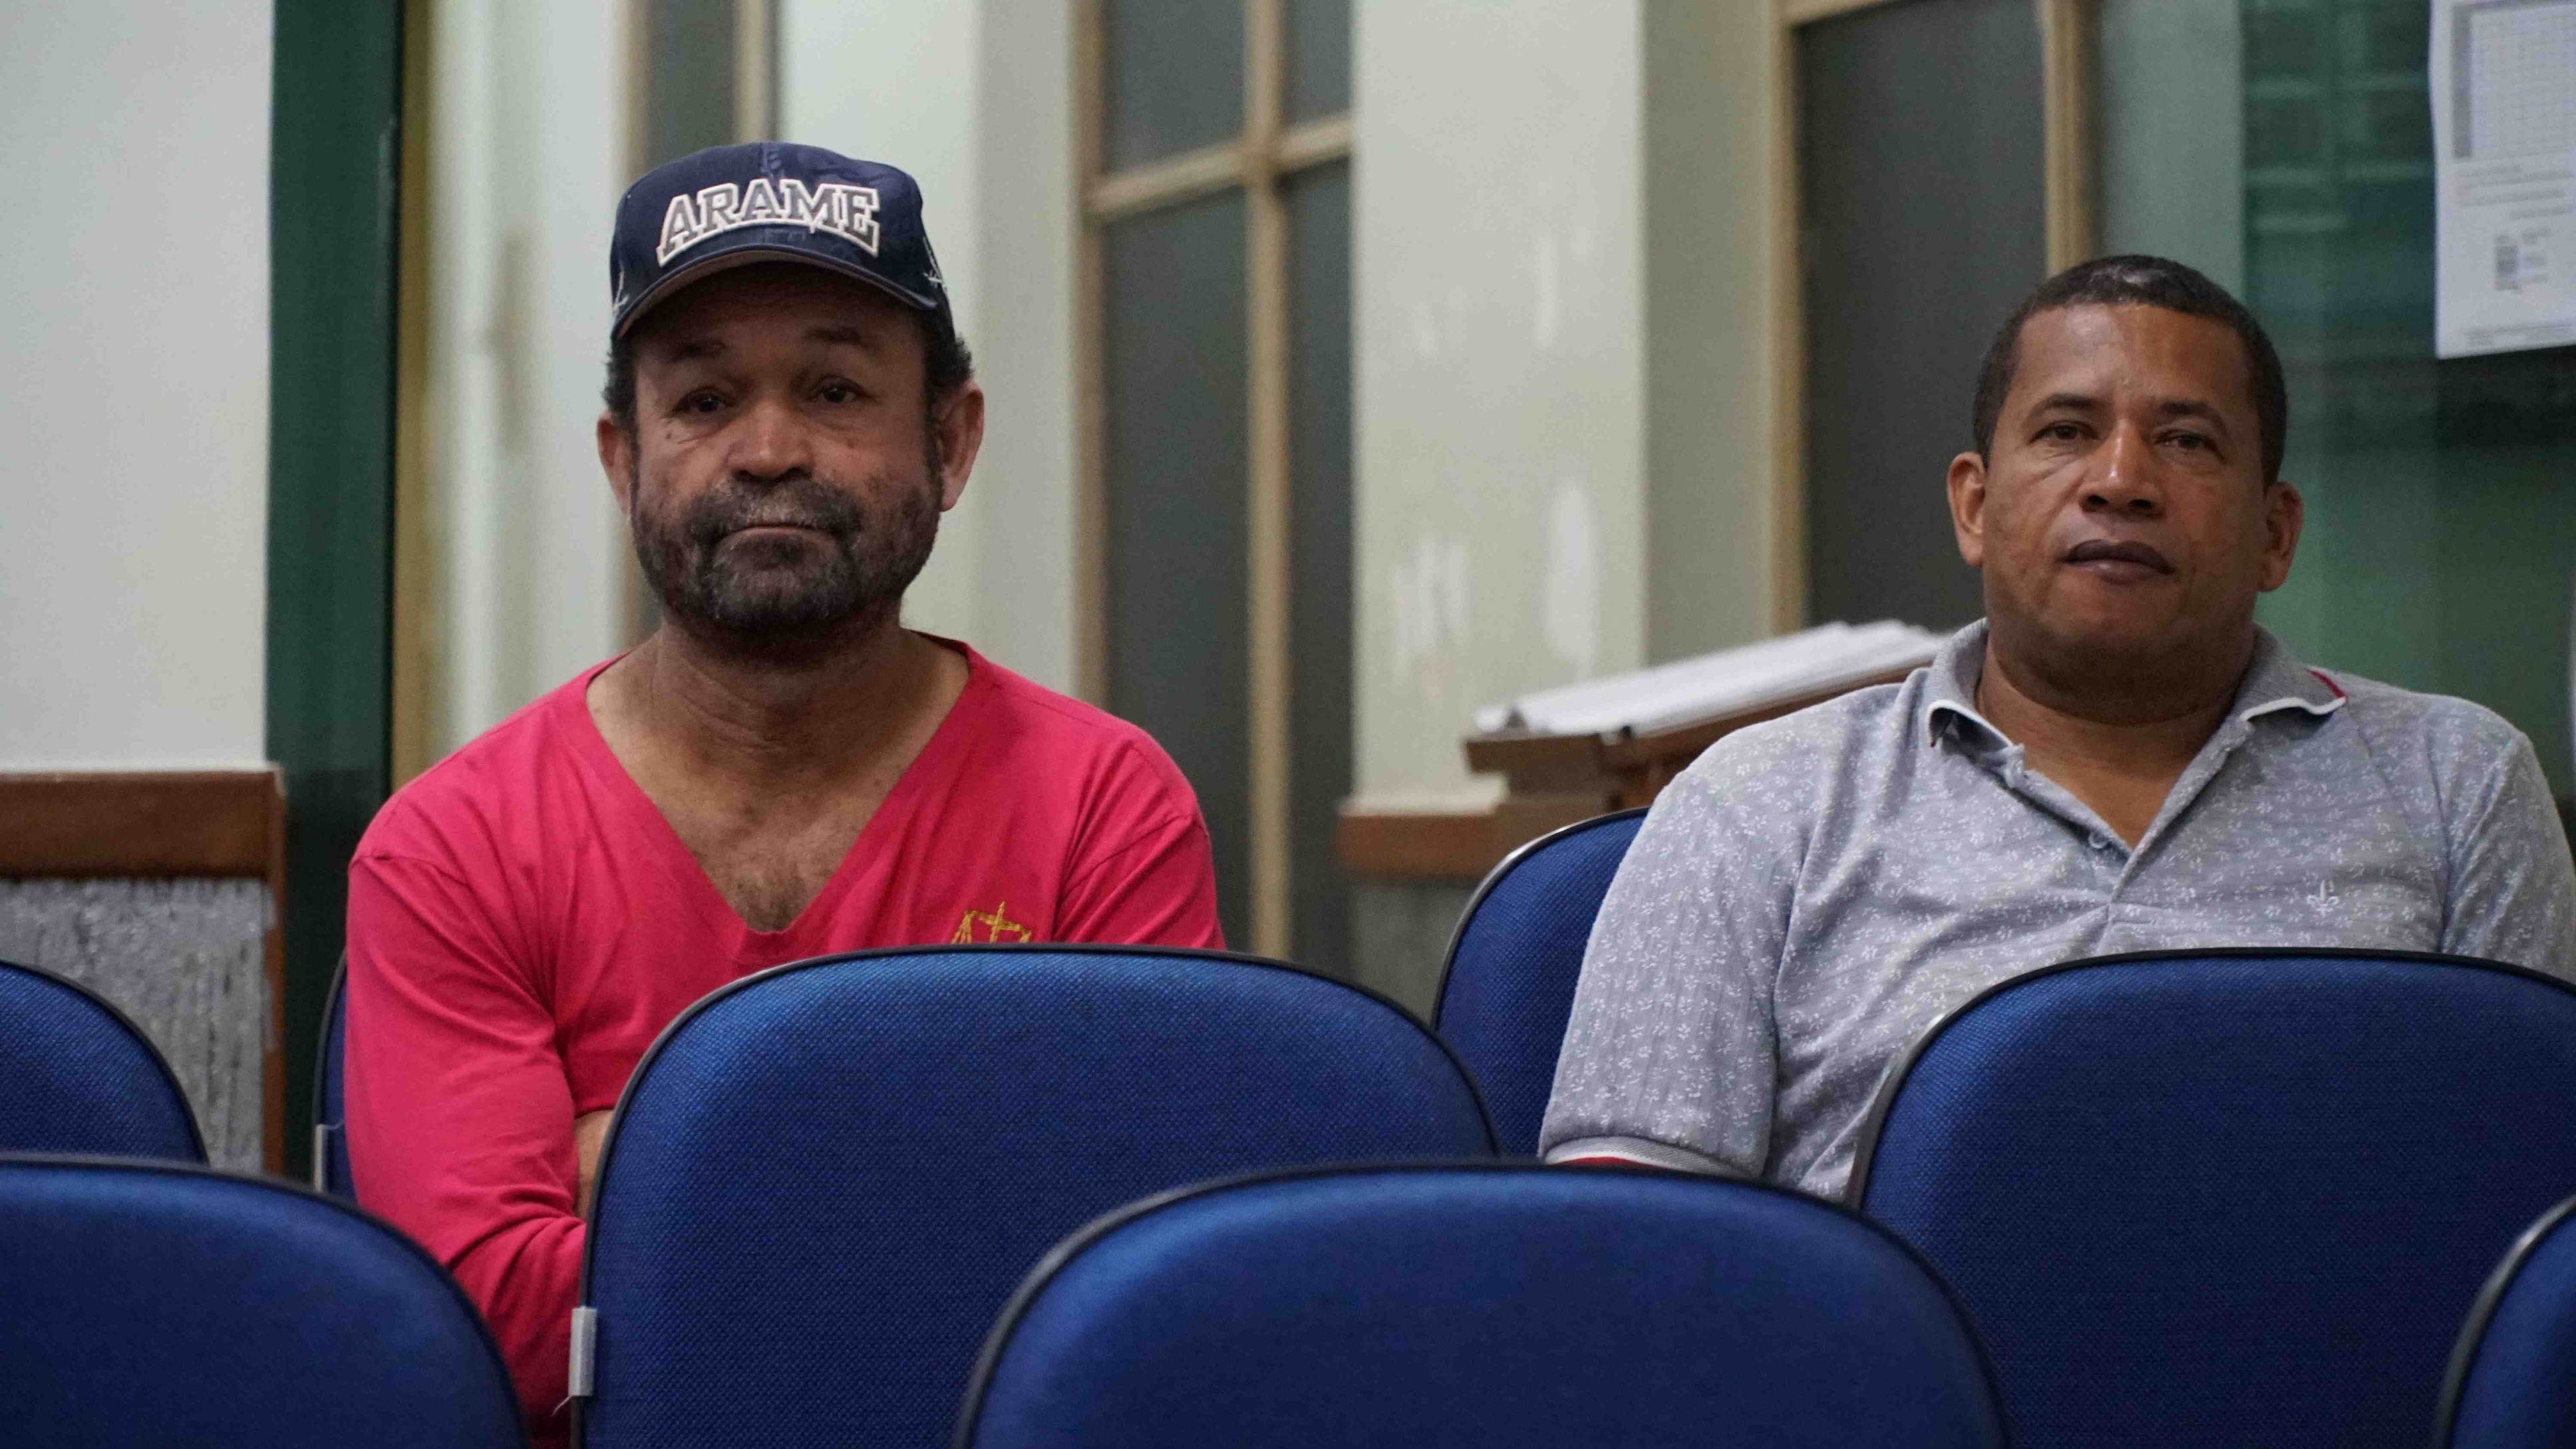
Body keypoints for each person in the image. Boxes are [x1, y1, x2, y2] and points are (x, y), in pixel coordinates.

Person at [343, 143, 1224, 1442]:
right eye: (704, 400)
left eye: (834, 389)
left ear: (950, 440)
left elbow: (1136, 1295)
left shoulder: (1103, 807)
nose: (766, 451)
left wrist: (648, 1152)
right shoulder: (454, 847)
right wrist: (950, 1182)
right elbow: (493, 1335)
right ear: (622, 460)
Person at [1539, 254, 2576, 1195]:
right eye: (2067, 432)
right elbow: (1635, 1252)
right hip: (1890, 1350)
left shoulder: (2455, 787)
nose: (2122, 481)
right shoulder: (1761, 803)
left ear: (2274, 532)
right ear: (1974, 506)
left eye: (2186, 440)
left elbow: (2525, 1209)